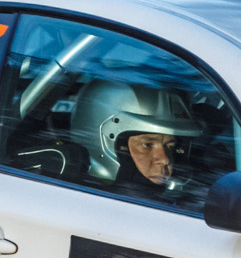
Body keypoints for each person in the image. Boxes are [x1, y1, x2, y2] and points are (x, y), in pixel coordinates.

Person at [69, 81, 203, 203]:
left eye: (171, 147)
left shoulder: (184, 201)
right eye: (147, 145)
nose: (165, 159)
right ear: (103, 142)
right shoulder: (81, 206)